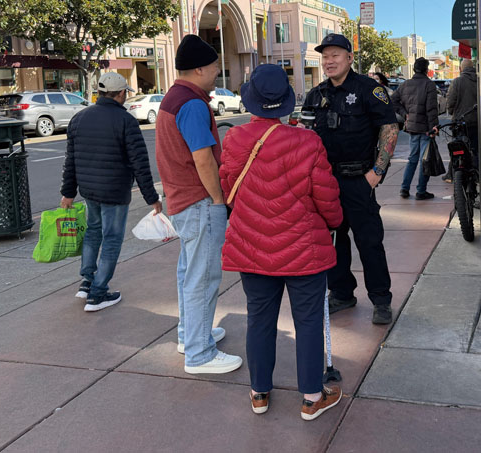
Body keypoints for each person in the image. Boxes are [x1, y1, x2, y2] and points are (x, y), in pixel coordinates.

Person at [220, 64, 344, 420]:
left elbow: (229, 187)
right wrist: (334, 222)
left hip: (251, 246)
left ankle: (259, 392)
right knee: (307, 322)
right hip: (302, 248)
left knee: (259, 319)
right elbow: (326, 198)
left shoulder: (235, 140)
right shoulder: (308, 141)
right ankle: (311, 397)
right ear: (286, 102)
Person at [156, 34, 242, 375]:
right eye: (216, 68)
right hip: (199, 201)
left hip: (181, 200)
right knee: (202, 278)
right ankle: (199, 352)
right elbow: (203, 159)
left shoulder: (172, 98)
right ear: (199, 68)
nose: (217, 74)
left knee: (188, 273)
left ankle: (190, 334)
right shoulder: (191, 103)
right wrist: (218, 200)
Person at [303, 34, 399, 325]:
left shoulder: (370, 89)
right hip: (325, 184)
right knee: (333, 242)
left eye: (335, 55)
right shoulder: (316, 94)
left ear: (349, 58)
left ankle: (381, 300)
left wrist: (377, 172)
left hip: (359, 180)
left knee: (369, 242)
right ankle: (342, 293)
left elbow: (389, 128)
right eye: (325, 57)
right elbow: (304, 136)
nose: (329, 61)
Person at [60, 72, 161, 312]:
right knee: (112, 239)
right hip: (115, 191)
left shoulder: (79, 118)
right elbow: (140, 163)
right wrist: (152, 198)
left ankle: (87, 281)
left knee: (93, 232)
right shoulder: (126, 121)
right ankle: (98, 293)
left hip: (89, 190)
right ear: (120, 94)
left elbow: (70, 160)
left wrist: (68, 192)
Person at [391, 57, 439, 201]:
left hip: (411, 126)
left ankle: (404, 189)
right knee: (424, 160)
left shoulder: (405, 84)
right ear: (426, 69)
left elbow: (393, 101)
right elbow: (431, 109)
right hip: (425, 128)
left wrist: (405, 114)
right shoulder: (428, 85)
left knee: (412, 159)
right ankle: (421, 191)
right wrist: (434, 127)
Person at [446, 58, 479, 162]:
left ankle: (453, 173)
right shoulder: (479, 80)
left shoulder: (457, 81)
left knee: (457, 149)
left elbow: (451, 101)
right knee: (476, 149)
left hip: (460, 122)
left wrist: (452, 112)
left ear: (461, 69)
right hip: (477, 121)